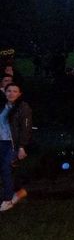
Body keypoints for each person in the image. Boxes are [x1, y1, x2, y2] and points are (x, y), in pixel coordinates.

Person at [0, 82, 33, 212]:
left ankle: (8, 200)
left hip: (14, 144)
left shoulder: (23, 107)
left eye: (15, 91)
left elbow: (26, 128)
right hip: (1, 142)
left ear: (19, 94)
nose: (11, 93)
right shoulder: (3, 106)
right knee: (6, 170)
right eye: (9, 91)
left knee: (6, 168)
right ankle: (19, 192)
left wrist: (22, 147)